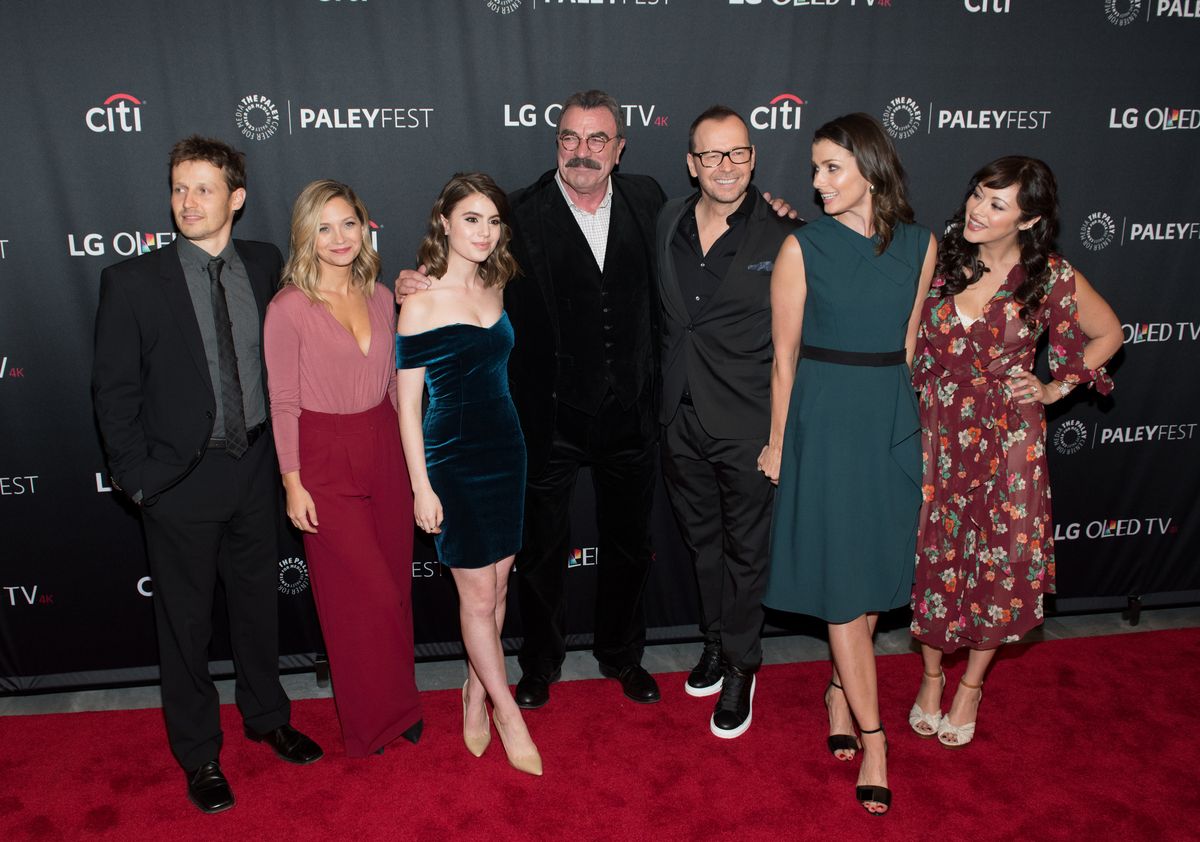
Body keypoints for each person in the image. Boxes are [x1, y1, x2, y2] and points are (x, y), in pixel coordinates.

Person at [91, 136, 322, 814]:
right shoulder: (132, 281)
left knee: (257, 611)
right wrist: (141, 484)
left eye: (203, 188)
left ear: (236, 198)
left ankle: (267, 717)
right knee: (185, 629)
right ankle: (199, 754)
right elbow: (113, 394)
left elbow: (319, 316)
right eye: (179, 188)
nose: (188, 201)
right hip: (179, 483)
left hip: (255, 468)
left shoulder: (264, 261)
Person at [907, 156, 1121, 749]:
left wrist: (1055, 386)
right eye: (978, 193)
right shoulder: (942, 259)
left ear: (1028, 221)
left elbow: (1110, 333)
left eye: (997, 203)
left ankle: (971, 686)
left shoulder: (1049, 277)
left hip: (1008, 441)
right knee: (935, 556)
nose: (977, 208)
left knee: (998, 566)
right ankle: (929, 677)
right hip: (939, 434)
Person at [758, 113, 936, 815]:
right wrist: (778, 441)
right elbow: (783, 359)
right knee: (842, 589)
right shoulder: (804, 248)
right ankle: (876, 737)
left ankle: (838, 689)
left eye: (832, 167)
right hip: (825, 423)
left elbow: (914, 346)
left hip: (890, 424)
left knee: (868, 590)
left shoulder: (922, 246)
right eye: (815, 168)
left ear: (870, 167)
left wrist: (920, 436)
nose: (818, 181)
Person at [262, 180, 423, 758]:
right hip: (322, 455)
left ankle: (401, 706)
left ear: (365, 226)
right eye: (323, 227)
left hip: (384, 446)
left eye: (348, 223)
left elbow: (394, 388)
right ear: (306, 235)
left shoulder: (382, 295)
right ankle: (368, 721)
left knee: (397, 590)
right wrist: (291, 480)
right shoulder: (287, 308)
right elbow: (282, 402)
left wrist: (414, 467)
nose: (338, 238)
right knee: (362, 597)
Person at [657, 105, 801, 739]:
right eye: (711, 155)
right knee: (702, 544)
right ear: (692, 164)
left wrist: (779, 436)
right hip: (677, 415)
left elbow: (795, 346)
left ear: (753, 158)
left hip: (747, 422)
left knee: (747, 553)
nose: (725, 166)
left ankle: (743, 663)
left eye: (737, 153)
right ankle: (714, 642)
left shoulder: (785, 234)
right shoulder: (666, 220)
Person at [396, 172, 542, 776]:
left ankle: (474, 690)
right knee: (476, 597)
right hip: (451, 459)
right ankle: (507, 711)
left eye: (492, 221)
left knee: (500, 591)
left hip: (506, 450)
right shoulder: (419, 300)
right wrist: (421, 486)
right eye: (471, 219)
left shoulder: (497, 281)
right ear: (446, 222)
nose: (483, 232)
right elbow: (407, 405)